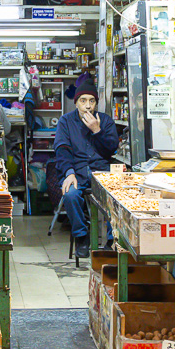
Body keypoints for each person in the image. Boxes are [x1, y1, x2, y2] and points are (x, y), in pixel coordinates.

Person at [52, 78, 119, 257]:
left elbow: (111, 148)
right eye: (83, 101)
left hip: (101, 171)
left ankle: (113, 240)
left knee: (116, 195)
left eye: (92, 101)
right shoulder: (65, 122)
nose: (88, 106)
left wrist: (97, 131)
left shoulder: (104, 121)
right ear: (76, 103)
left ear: (96, 103)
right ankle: (82, 236)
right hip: (76, 171)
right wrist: (69, 172)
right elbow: (62, 149)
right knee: (71, 194)